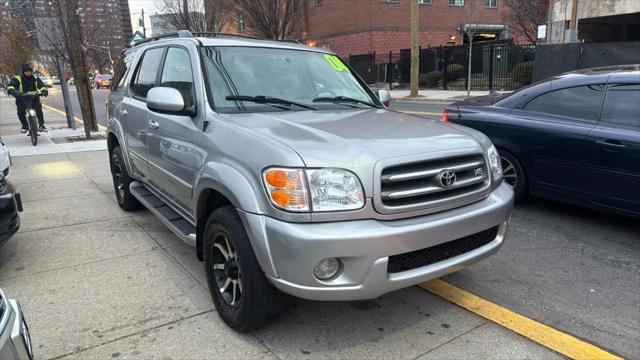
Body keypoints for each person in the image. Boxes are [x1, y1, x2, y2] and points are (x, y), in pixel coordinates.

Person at [6, 63, 48, 133]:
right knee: (21, 112)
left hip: (34, 98)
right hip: (22, 99)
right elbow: (11, 86)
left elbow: (42, 85)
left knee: (39, 110)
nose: (28, 73)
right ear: (23, 72)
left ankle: (41, 125)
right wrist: (13, 91)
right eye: (26, 72)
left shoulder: (36, 78)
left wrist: (44, 91)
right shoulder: (17, 79)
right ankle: (24, 125)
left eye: (30, 71)